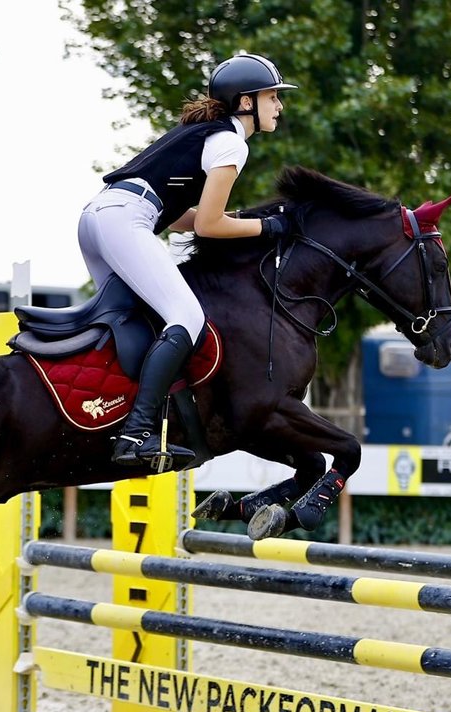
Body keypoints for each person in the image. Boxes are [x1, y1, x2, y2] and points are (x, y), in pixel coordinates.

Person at [78, 53, 297, 471]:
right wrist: (268, 229)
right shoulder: (231, 142)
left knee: (131, 320)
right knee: (187, 317)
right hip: (126, 220)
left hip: (99, 217)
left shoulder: (202, 134)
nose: (279, 106)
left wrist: (245, 222)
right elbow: (210, 226)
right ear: (246, 102)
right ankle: (135, 433)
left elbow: (181, 219)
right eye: (273, 96)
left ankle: (104, 412)